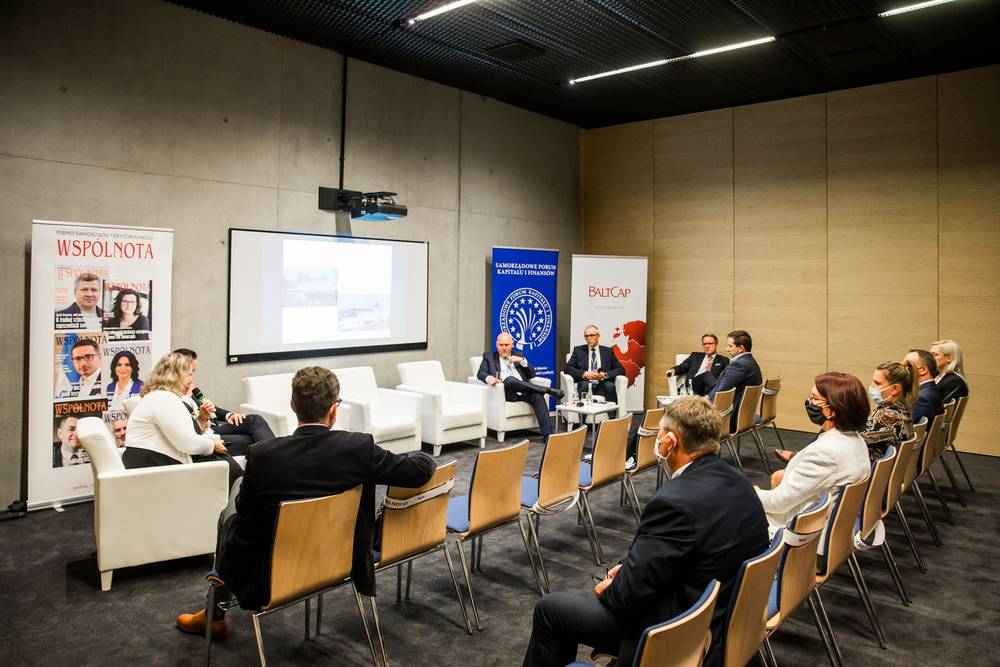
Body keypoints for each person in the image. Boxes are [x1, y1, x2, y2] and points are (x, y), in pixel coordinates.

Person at [175, 366, 436, 637]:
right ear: (333, 410)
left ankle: (215, 612)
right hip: (340, 559)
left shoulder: (263, 456)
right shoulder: (358, 448)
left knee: (231, 512)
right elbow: (418, 471)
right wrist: (419, 455)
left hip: (273, 570)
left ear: (292, 405)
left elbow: (246, 519)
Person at [522, 396, 769, 667]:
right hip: (725, 621)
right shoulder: (741, 483)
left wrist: (612, 588)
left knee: (549, 610)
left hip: (675, 634)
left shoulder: (673, 502)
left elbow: (626, 600)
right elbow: (689, 550)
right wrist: (629, 568)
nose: (656, 439)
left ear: (671, 442)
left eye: (659, 432)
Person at [755, 372, 870, 540]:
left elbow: (778, 503)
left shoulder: (826, 453)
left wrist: (750, 492)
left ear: (832, 410)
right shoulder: (857, 441)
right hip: (833, 529)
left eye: (814, 399)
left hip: (802, 538)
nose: (809, 402)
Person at [122, 352, 242, 488]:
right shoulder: (165, 398)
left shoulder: (159, 396)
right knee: (234, 473)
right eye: (188, 375)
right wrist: (212, 445)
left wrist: (203, 419)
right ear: (174, 376)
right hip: (156, 469)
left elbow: (182, 434)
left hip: (152, 465)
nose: (191, 381)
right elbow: (188, 443)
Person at [173, 348, 275, 456]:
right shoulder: (173, 395)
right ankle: (277, 457)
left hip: (213, 426)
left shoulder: (190, 386)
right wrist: (187, 399)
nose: (192, 378)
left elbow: (210, 407)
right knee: (250, 440)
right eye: (189, 373)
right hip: (205, 433)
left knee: (254, 420)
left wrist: (229, 415)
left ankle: (277, 456)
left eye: (193, 372)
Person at [478, 333, 564, 440]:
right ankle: (547, 390)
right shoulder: (489, 357)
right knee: (509, 380)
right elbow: (481, 373)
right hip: (506, 393)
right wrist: (489, 378)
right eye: (501, 345)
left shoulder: (518, 355)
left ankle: (548, 436)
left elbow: (532, 374)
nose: (504, 348)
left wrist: (522, 361)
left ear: (512, 344)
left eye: (506, 345)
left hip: (524, 391)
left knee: (538, 396)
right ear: (496, 344)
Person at [707, 330, 762, 430]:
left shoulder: (739, 365)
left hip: (730, 418)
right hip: (745, 415)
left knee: (685, 418)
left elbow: (720, 394)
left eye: (730, 346)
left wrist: (701, 404)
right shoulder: (751, 362)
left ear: (740, 348)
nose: (727, 349)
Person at [564, 325, 625, 404]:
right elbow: (567, 368)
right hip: (586, 382)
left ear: (598, 336)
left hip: (602, 383)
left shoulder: (608, 351)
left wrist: (604, 375)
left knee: (610, 386)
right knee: (584, 385)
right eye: (586, 336)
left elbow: (621, 369)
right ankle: (581, 411)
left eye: (591, 335)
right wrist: (585, 374)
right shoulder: (578, 351)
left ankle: (612, 411)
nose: (589, 338)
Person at [904, 349, 944, 427]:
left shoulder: (922, 398)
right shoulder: (931, 390)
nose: (903, 370)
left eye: (908, 366)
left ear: (923, 370)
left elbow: (907, 428)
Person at [930, 339, 969, 405]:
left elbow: (943, 409)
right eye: (930, 355)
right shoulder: (936, 374)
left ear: (949, 358)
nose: (930, 358)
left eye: (935, 355)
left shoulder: (954, 382)